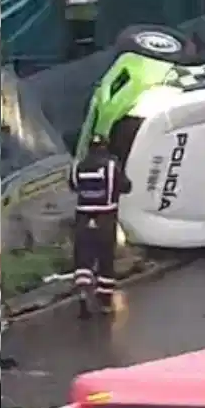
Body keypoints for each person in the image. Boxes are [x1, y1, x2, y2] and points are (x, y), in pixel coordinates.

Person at [68, 134, 131, 317]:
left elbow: (73, 186)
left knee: (83, 257)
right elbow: (125, 186)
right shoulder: (112, 165)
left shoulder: (78, 166)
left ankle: (82, 292)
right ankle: (104, 303)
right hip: (105, 216)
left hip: (83, 216)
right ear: (105, 147)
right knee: (105, 259)